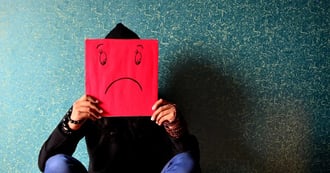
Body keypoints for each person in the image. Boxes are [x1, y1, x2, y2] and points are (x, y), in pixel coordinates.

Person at [38, 23, 201, 173]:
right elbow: (47, 162)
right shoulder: (90, 105)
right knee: (57, 163)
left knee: (186, 160)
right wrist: (72, 122)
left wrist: (176, 126)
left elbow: (189, 164)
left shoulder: (158, 105)